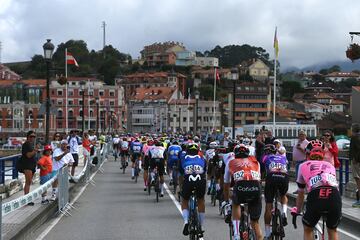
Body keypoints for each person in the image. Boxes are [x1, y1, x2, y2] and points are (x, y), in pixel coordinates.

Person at [291, 139, 341, 240]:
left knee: (308, 229)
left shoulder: (302, 165)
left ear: (307, 154)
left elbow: (301, 193)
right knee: (332, 230)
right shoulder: (330, 166)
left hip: (316, 195)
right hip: (334, 196)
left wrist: (298, 210)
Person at [223, 144, 263, 240]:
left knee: (236, 203)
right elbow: (258, 179)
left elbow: (226, 183)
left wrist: (226, 199)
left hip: (241, 186)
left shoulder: (231, 162)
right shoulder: (256, 162)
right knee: (255, 222)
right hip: (255, 187)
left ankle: (236, 234)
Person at [179, 143, 206, 238]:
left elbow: (181, 172)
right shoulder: (202, 158)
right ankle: (201, 225)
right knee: (201, 199)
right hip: (200, 181)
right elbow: (205, 170)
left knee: (185, 200)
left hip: (188, 181)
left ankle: (186, 222)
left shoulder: (184, 158)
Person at [262, 144, 289, 239]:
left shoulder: (265, 157)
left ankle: (268, 233)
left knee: (269, 204)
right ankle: (284, 212)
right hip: (284, 176)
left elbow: (263, 170)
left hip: (272, 176)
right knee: (283, 195)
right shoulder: (283, 157)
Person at [19, 130, 41, 206]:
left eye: (34, 136)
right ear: (28, 137)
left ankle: (26, 198)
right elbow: (28, 155)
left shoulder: (31, 145)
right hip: (27, 165)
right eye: (31, 136)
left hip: (31, 165)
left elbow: (33, 155)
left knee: (29, 182)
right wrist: (35, 150)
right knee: (28, 182)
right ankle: (26, 200)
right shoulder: (26, 144)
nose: (33, 138)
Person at [350, 123, 360, 207]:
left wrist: (355, 159)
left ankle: (359, 201)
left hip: (356, 162)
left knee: (358, 180)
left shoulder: (355, 137)